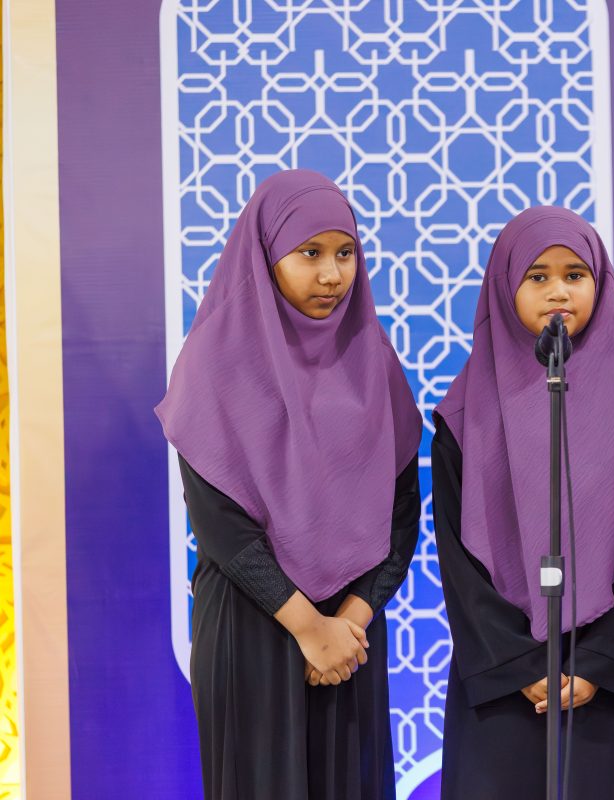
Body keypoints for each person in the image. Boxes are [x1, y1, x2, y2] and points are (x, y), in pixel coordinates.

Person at [156, 168, 423, 799]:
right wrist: (309, 628)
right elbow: (220, 525)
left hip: (353, 636)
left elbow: (401, 511)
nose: (332, 275)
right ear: (266, 255)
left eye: (345, 253)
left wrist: (349, 621)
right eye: (310, 254)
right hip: (253, 628)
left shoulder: (373, 359)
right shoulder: (214, 361)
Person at [432, 206, 614, 799]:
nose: (558, 291)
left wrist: (599, 664)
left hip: (603, 687)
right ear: (504, 285)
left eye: (575, 274)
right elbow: (458, 558)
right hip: (501, 685)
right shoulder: (464, 415)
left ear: (601, 284)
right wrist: (516, 665)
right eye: (537, 276)